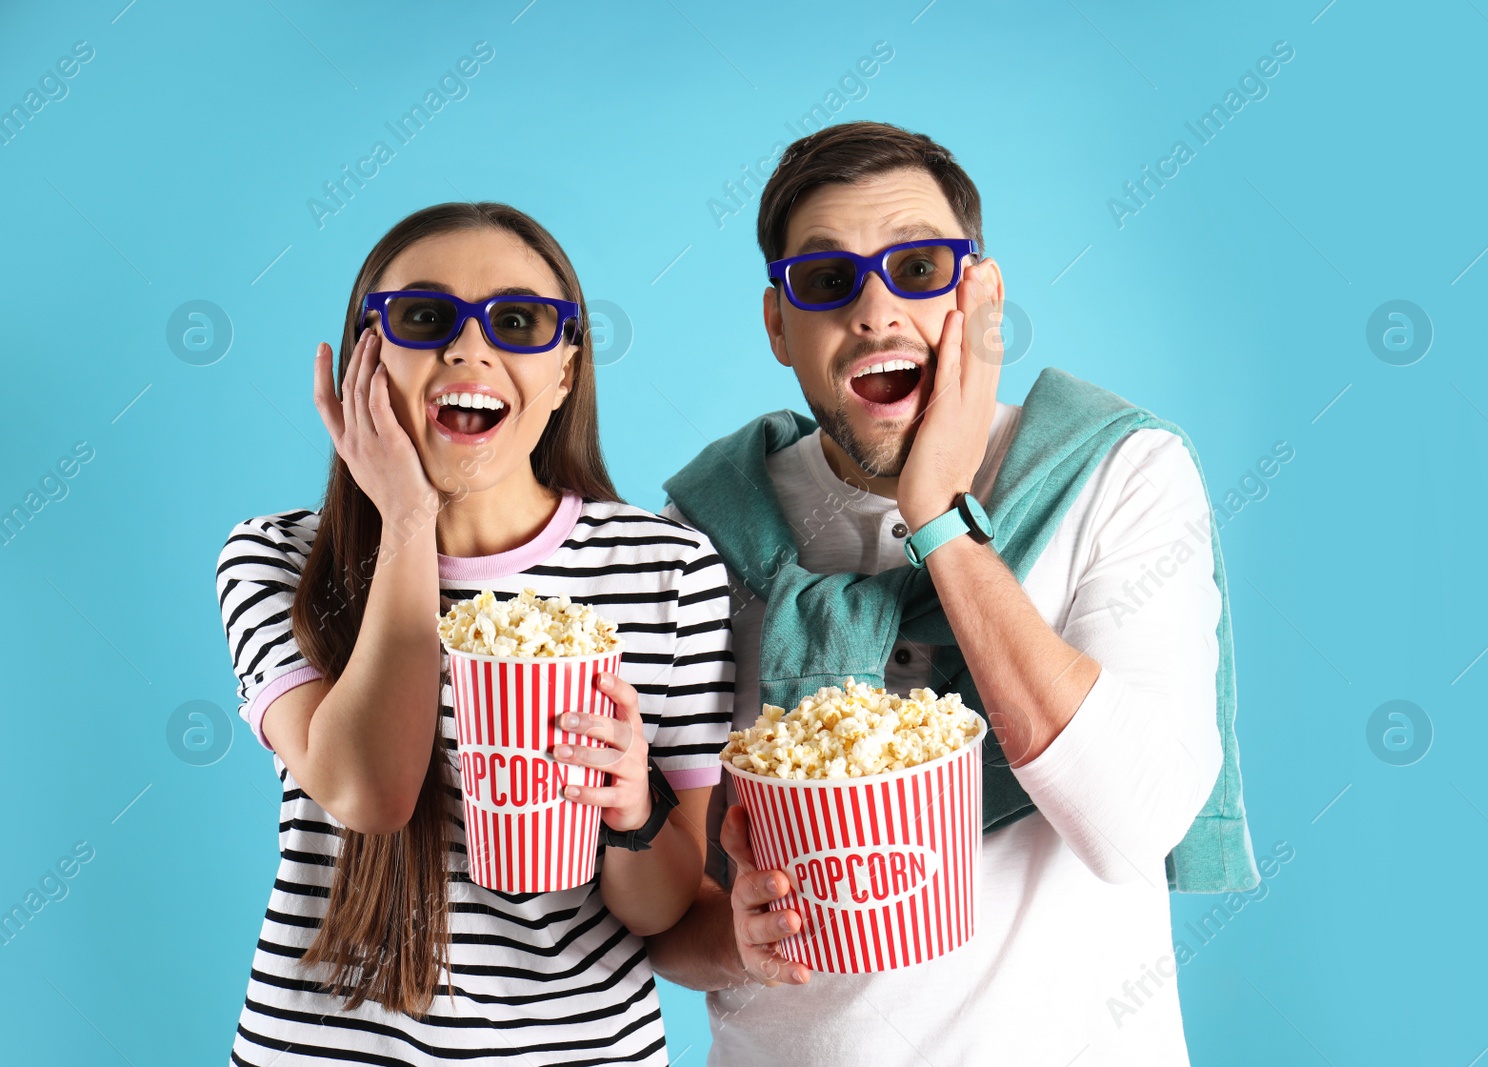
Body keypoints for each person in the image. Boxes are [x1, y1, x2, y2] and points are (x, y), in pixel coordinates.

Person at [646, 122, 1258, 1065]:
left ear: (981, 297)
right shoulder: (703, 531)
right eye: (825, 280)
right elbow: (659, 910)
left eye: (920, 266)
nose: (877, 311)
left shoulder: (1119, 475)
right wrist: (735, 937)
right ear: (779, 324)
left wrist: (940, 520)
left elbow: (1133, 826)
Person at [215, 201, 733, 1065]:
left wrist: (635, 811)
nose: (469, 348)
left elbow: (666, 909)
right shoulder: (275, 558)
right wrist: (410, 519)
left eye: (519, 321)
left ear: (566, 372)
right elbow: (369, 793)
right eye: (425, 318)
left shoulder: (667, 571)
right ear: (363, 360)